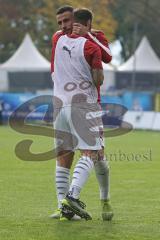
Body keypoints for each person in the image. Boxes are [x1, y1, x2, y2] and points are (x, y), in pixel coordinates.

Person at [51, 6, 113, 221]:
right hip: (82, 105)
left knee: (96, 156)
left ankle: (101, 200)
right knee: (87, 154)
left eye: (67, 21)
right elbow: (102, 70)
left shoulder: (94, 38)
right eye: (60, 23)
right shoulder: (60, 38)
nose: (64, 27)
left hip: (64, 104)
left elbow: (108, 57)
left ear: (81, 22)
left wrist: (89, 36)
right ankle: (66, 203)